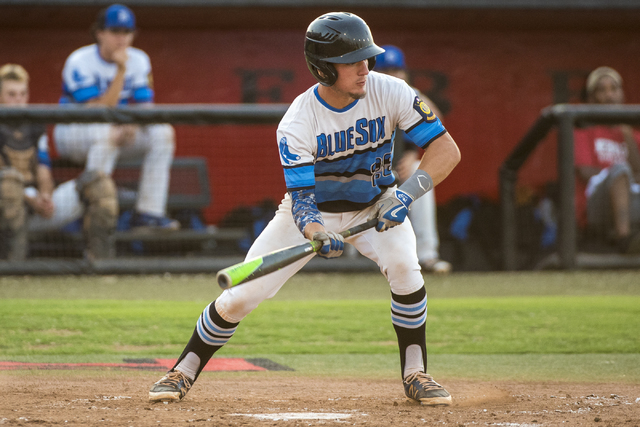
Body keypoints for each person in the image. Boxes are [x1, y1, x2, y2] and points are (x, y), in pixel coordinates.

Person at [148, 12, 460, 406]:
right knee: (240, 298)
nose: (365, 68)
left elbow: (447, 149)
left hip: (378, 204)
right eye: (353, 61)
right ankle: (183, 370)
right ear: (324, 68)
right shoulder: (297, 120)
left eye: (367, 58)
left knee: (405, 268)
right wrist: (316, 232)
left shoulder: (392, 91)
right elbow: (302, 200)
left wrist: (405, 194)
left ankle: (417, 374)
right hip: (311, 213)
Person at [53, 4, 179, 231]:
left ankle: (148, 213)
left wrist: (131, 121)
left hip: (117, 131)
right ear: (99, 33)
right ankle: (94, 209)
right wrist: (121, 70)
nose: (121, 39)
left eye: (127, 32)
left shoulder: (139, 59)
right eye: (115, 32)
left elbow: (144, 108)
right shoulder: (80, 60)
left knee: (163, 132)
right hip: (73, 133)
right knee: (106, 133)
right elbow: (96, 110)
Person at [0, 64, 118, 260]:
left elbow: (43, 169)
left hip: (36, 205)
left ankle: (101, 266)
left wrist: (45, 196)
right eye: (11, 94)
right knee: (9, 184)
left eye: (22, 94)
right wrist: (30, 198)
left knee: (98, 183)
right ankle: (13, 268)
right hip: (8, 207)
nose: (18, 100)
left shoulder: (34, 123)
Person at [374, 45, 452, 274]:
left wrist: (412, 92)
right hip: (364, 171)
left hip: (396, 170)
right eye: (386, 71)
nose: (393, 76)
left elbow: (438, 121)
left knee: (420, 172)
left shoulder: (408, 97)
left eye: (397, 70)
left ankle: (428, 255)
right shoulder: (363, 97)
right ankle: (353, 260)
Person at [574, 66, 640, 253]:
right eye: (601, 90)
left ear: (622, 95)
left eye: (613, 89)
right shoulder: (584, 132)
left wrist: (625, 131)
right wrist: (621, 175)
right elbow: (586, 172)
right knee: (620, 169)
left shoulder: (633, 135)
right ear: (591, 99)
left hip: (632, 198)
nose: (609, 95)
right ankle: (624, 240)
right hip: (597, 206)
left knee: (623, 173)